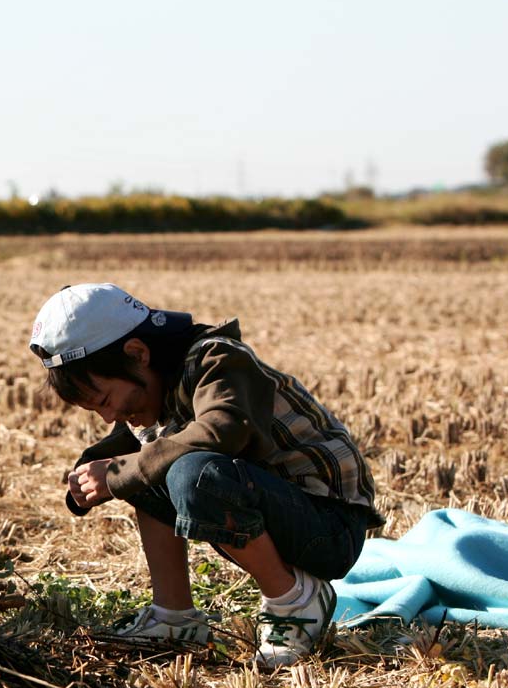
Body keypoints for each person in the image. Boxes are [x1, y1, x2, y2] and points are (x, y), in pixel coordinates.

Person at [29, 283, 380, 667]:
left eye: (105, 401)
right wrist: (88, 474)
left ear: (137, 353)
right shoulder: (153, 385)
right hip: (279, 512)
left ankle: (295, 600)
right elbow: (127, 449)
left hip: (329, 527)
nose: (109, 417)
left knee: (189, 472)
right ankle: (174, 617)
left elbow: (223, 428)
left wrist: (117, 473)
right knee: (148, 468)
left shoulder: (217, 358)